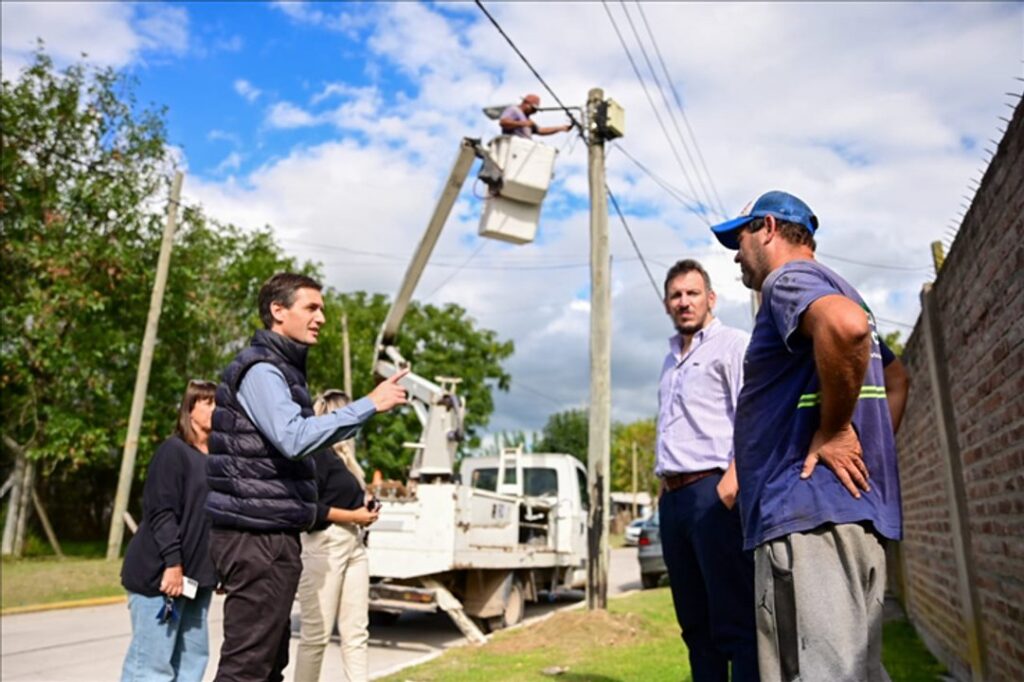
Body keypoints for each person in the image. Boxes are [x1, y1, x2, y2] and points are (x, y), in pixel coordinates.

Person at [710, 191, 909, 681]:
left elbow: (846, 330)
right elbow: (899, 380)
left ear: (770, 229)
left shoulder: (787, 281)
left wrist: (838, 430)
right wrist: (863, 450)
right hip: (845, 515)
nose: (737, 255)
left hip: (807, 520)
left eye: (741, 239)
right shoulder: (839, 287)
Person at [206, 272, 408, 682]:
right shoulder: (262, 370)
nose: (321, 318)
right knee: (247, 668)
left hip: (272, 532)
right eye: (311, 308)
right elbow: (294, 438)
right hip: (255, 537)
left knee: (267, 667)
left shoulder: (284, 370)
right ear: (278, 312)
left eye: (323, 309)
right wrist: (368, 405)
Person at [655, 259, 758, 682]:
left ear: (710, 298)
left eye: (692, 293)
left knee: (735, 622)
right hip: (674, 501)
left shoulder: (734, 345)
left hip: (713, 494)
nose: (684, 302)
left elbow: (752, 418)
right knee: (695, 627)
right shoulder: (668, 359)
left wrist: (731, 484)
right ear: (667, 304)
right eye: (676, 295)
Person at [120, 379, 219, 682]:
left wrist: (220, 569)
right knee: (151, 667)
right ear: (190, 409)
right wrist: (172, 564)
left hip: (198, 579)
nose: (218, 409)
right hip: (161, 575)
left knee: (193, 662)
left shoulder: (218, 459)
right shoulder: (173, 451)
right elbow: (161, 512)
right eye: (210, 402)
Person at [295, 390, 378, 682]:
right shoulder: (316, 454)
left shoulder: (344, 460)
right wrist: (354, 515)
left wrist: (364, 509)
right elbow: (309, 509)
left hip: (353, 543)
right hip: (325, 545)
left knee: (356, 633)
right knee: (316, 636)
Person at [499, 93, 573, 138]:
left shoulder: (527, 119)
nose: (534, 112)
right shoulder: (514, 109)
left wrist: (561, 128)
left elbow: (541, 130)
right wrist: (523, 124)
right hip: (513, 148)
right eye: (533, 109)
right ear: (526, 104)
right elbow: (503, 123)